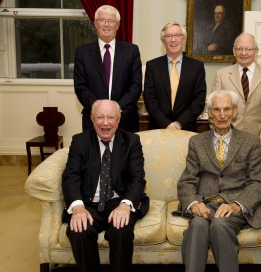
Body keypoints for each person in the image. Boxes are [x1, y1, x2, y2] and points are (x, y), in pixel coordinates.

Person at [177, 90, 261, 272]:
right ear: (209, 113)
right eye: (216, 110)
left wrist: (236, 204)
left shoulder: (250, 142)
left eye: (227, 109)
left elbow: (258, 182)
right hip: (206, 203)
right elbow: (187, 180)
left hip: (235, 205)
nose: (222, 115)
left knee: (220, 225)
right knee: (197, 226)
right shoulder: (197, 142)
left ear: (235, 111)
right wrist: (194, 203)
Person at [62, 99, 148, 272]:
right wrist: (78, 208)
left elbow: (137, 178)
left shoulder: (131, 141)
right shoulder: (80, 141)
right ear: (92, 119)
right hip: (89, 203)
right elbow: (71, 176)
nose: (106, 123)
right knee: (79, 231)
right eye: (100, 117)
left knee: (121, 230)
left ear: (118, 120)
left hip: (118, 201)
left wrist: (125, 205)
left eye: (111, 117)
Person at [73, 5, 142, 132]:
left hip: (125, 118)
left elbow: (136, 86)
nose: (106, 24)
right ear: (95, 23)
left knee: (125, 152)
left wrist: (116, 111)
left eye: (111, 21)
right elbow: (80, 87)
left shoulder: (131, 51)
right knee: (94, 152)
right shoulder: (82, 53)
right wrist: (100, 111)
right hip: (94, 119)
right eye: (102, 20)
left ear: (117, 25)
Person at [213, 33, 261, 150]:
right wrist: (221, 135)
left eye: (248, 49)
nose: (243, 53)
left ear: (256, 51)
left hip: (258, 141)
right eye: (239, 49)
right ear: (234, 51)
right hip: (227, 139)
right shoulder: (221, 74)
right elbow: (213, 110)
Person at [143, 22, 207, 132]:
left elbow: (199, 100)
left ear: (184, 39)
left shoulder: (197, 67)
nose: (173, 40)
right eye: (169, 36)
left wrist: (180, 123)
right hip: (158, 128)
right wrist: (166, 124)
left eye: (177, 35)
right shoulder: (152, 66)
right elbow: (149, 99)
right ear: (163, 41)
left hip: (187, 128)